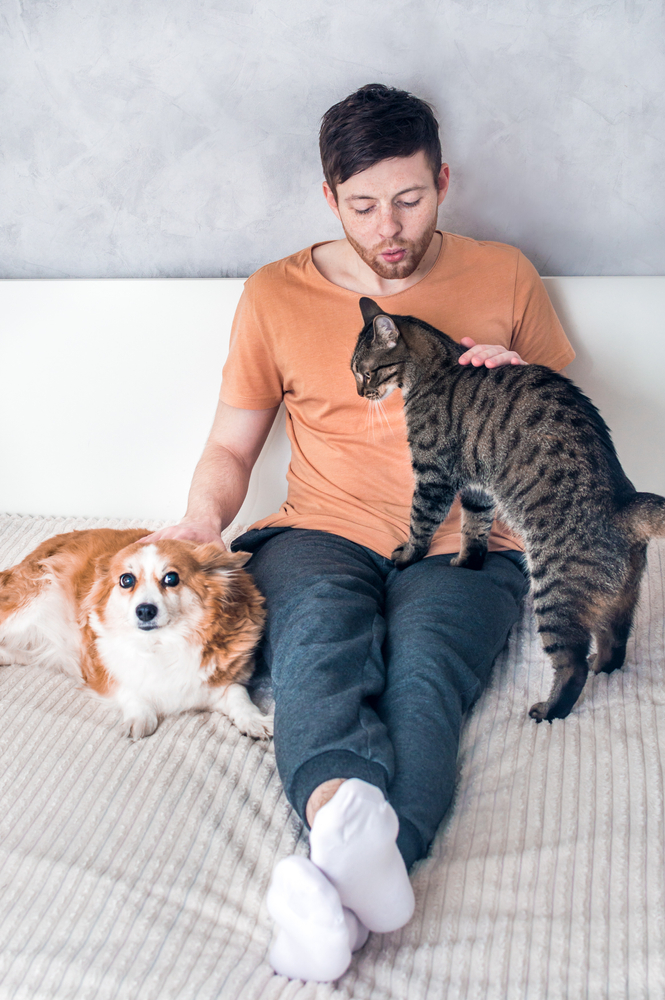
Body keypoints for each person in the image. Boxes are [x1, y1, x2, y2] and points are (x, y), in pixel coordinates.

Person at [146, 84, 575, 981]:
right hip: (320, 531)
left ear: (443, 182)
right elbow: (231, 444)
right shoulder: (275, 294)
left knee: (425, 673)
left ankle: (340, 885)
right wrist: (201, 520)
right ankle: (347, 829)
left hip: (466, 541)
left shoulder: (504, 276)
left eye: (410, 200)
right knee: (318, 647)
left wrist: (518, 381)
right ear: (329, 197)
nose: (389, 228)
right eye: (363, 205)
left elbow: (564, 429)